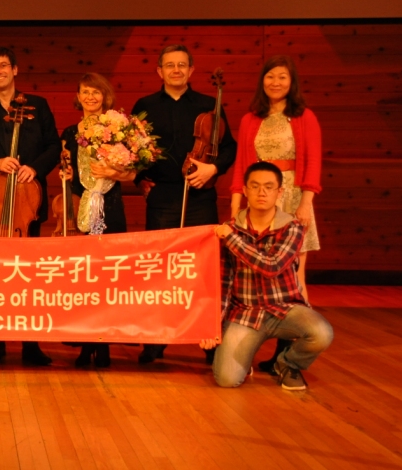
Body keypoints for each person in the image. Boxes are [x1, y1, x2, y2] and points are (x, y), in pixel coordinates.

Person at [131, 44, 236, 364]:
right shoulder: (145, 105)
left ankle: (208, 341)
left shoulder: (208, 104)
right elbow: (131, 150)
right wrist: (140, 180)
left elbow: (228, 148)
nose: (176, 70)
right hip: (162, 196)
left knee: (202, 270)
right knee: (159, 269)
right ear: (159, 71)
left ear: (191, 70)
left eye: (181, 65)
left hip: (200, 195)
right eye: (169, 65)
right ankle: (156, 340)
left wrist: (212, 169)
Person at [0, 46, 60, 366]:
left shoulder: (38, 105)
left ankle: (31, 344)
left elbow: (53, 146)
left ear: (15, 69)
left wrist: (35, 168)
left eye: (3, 65)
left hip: (27, 202)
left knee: (28, 277)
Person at [204, 162, 333, 390]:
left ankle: (287, 364)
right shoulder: (230, 227)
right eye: (255, 186)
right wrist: (212, 325)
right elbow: (223, 283)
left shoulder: (292, 227)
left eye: (268, 187)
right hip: (244, 312)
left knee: (321, 333)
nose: (261, 192)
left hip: (284, 309)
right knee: (227, 380)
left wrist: (232, 239)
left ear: (279, 192)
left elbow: (272, 266)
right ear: (245, 191)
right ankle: (244, 359)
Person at [231, 55, 322, 372]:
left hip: (292, 196)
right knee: (257, 273)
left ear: (291, 82)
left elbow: (313, 161)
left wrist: (305, 203)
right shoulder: (250, 119)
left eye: (282, 77)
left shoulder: (304, 116)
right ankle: (251, 339)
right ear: (262, 81)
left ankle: (287, 353)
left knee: (294, 277)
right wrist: (236, 203)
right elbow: (242, 164)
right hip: (257, 196)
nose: (276, 82)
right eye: (270, 76)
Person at [60, 73, 134, 369]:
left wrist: (113, 173)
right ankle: (86, 343)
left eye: (96, 92)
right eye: (85, 92)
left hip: (110, 208)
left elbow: (133, 173)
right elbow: (68, 171)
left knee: (107, 279)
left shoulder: (118, 128)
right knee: (83, 281)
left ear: (105, 97)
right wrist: (66, 175)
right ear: (78, 96)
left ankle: (103, 345)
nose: (90, 97)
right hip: (81, 209)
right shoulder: (69, 132)